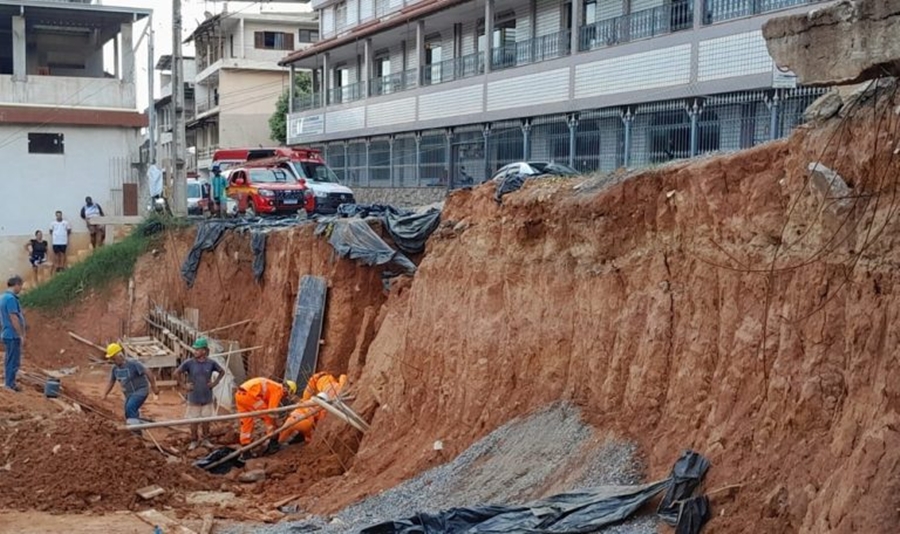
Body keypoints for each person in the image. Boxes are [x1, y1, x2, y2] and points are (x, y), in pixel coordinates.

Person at [176, 338, 225, 450]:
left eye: (197, 349)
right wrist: (184, 386)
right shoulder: (189, 363)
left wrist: (214, 383)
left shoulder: (211, 363)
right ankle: (194, 440)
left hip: (207, 398)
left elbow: (222, 371)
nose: (195, 351)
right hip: (194, 398)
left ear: (204, 351)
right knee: (193, 421)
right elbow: (176, 373)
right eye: (195, 349)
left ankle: (205, 439)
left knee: (206, 421)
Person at [279, 373, 347, 446]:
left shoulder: (308, 401)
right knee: (304, 431)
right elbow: (317, 422)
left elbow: (305, 398)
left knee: (284, 433)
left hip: (291, 418)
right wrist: (310, 436)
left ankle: (279, 442)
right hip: (302, 422)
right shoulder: (322, 406)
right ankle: (283, 442)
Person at [234, 377, 297, 456]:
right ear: (287, 390)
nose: (285, 397)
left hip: (239, 395)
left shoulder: (272, 386)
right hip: (250, 396)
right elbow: (271, 412)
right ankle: (273, 443)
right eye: (287, 395)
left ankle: (246, 451)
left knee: (246, 422)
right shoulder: (278, 390)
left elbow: (267, 404)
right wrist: (275, 426)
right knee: (268, 417)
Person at [102, 343, 159, 422]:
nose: (113, 361)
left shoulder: (133, 363)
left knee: (130, 407)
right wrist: (104, 394)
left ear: (120, 356)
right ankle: (139, 422)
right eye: (111, 359)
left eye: (114, 359)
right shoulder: (115, 369)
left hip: (140, 390)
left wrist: (154, 386)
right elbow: (111, 382)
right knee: (127, 412)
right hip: (129, 394)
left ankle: (136, 432)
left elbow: (147, 371)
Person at [1, 276, 26, 392]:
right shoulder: (11, 299)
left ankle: (10, 383)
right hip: (12, 334)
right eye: (20, 286)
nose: (20, 288)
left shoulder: (3, 297)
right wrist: (20, 334)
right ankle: (9, 384)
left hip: (6, 332)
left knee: (9, 359)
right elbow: (13, 317)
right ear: (16, 285)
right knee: (13, 360)